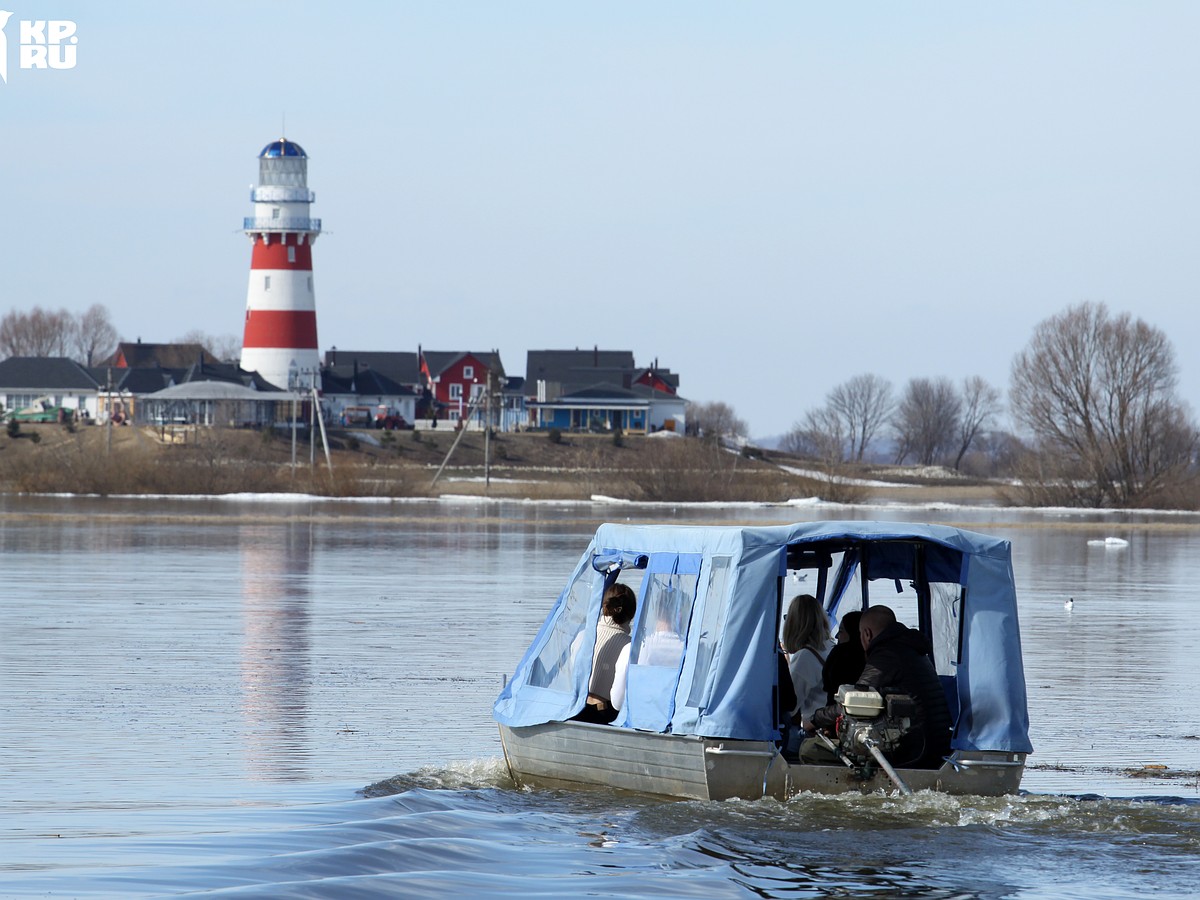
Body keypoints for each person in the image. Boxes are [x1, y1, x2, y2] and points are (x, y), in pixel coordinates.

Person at [803, 605, 952, 769]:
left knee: (810, 750)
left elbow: (854, 702)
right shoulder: (911, 650)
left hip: (914, 752)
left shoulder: (885, 656)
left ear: (866, 634)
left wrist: (814, 719)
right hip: (935, 744)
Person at [780, 594, 833, 754]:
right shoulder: (829, 646)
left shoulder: (805, 657)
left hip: (812, 733)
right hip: (830, 726)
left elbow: (790, 707)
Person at [576, 583, 636, 723]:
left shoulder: (582, 635)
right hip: (603, 714)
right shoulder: (630, 646)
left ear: (604, 607)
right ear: (632, 613)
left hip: (576, 709)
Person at [821, 609, 865, 706]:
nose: (837, 636)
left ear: (853, 632)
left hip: (835, 710)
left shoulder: (839, 654)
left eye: (841, 631)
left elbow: (828, 684)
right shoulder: (874, 656)